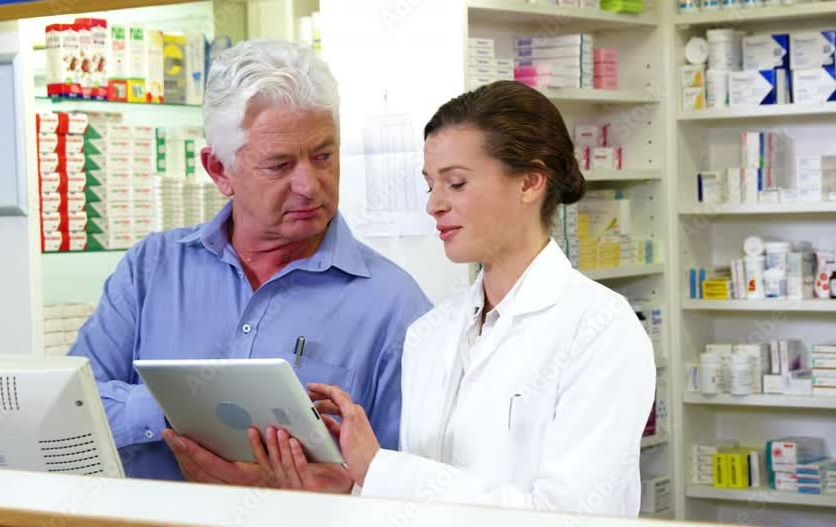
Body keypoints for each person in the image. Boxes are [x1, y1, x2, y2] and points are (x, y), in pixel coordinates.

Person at [259, 80, 657, 516]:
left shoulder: (600, 329)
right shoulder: (429, 333)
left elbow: (573, 517)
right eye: (430, 184)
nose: (434, 205)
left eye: (456, 183)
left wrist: (381, 469)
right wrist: (353, 485)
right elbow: (417, 504)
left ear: (530, 182)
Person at [68, 39, 432, 486]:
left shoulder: (395, 305)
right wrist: (178, 411)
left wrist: (340, 492)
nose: (309, 185)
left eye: (324, 156)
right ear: (219, 171)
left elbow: (416, 480)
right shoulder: (151, 269)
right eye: (279, 166)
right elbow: (71, 407)